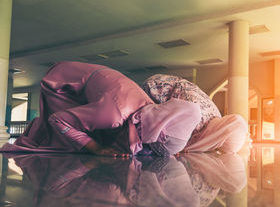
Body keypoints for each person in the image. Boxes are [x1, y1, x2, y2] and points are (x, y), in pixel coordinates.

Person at [0, 62, 201, 157]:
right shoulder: (114, 115)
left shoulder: (150, 110)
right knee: (66, 142)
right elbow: (57, 119)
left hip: (97, 80)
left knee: (93, 128)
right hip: (63, 82)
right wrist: (95, 148)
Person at [143, 74, 248, 153]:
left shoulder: (216, 117)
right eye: (217, 146)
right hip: (153, 89)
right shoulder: (195, 120)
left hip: (164, 81)